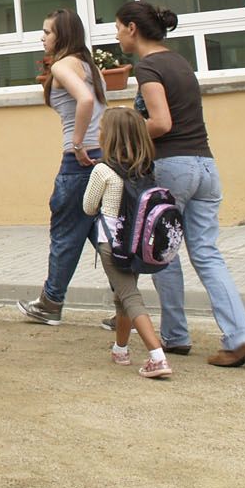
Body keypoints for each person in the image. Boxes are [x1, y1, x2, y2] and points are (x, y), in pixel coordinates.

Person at [115, 0, 245, 367]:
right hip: (206, 166)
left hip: (172, 166)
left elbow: (161, 123)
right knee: (207, 253)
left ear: (133, 28)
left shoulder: (147, 66)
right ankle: (240, 335)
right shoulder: (179, 61)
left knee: (161, 250)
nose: (116, 35)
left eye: (118, 27)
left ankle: (176, 336)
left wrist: (126, 134)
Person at [17, 8, 108, 326]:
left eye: (48, 32)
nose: (42, 37)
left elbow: (84, 101)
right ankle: (127, 305)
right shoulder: (88, 65)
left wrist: (79, 143)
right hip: (102, 159)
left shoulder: (63, 66)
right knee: (102, 235)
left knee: (66, 233)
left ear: (63, 36)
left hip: (79, 162)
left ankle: (50, 303)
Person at [81, 106, 172, 380]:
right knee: (123, 293)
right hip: (136, 243)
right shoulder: (145, 168)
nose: (97, 134)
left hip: (111, 244)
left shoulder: (103, 170)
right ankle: (121, 349)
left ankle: (157, 356)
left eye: (100, 130)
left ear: (111, 137)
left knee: (129, 296)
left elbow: (87, 207)